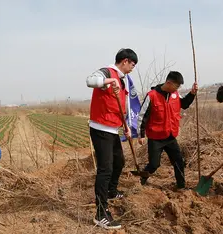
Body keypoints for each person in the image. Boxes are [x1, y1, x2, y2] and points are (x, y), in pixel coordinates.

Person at [86, 48, 137, 229]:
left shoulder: (122, 80)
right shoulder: (108, 72)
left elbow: (119, 106)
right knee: (105, 169)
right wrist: (109, 80)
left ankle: (111, 191)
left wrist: (126, 127)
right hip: (100, 128)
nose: (132, 68)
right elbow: (89, 81)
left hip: (113, 128)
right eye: (132, 64)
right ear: (124, 61)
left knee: (120, 162)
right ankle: (101, 214)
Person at [137, 71, 198, 189]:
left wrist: (192, 93)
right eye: (177, 85)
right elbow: (142, 116)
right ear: (169, 83)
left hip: (170, 136)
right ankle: (141, 179)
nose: (177, 88)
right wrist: (141, 134)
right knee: (154, 164)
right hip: (155, 138)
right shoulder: (152, 96)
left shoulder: (175, 94)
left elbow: (184, 104)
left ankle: (181, 186)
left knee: (178, 162)